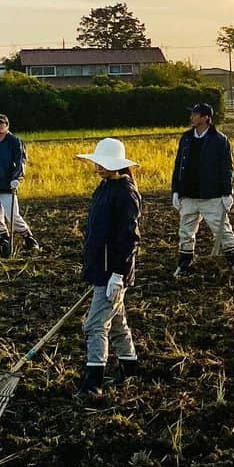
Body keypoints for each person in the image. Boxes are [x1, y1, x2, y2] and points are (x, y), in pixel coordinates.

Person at [75, 137, 142, 403]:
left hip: (113, 272)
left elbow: (129, 239)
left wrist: (118, 274)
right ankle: (130, 368)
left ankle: (93, 383)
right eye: (98, 162)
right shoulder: (104, 187)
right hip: (100, 270)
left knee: (94, 325)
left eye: (104, 163)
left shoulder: (125, 193)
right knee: (116, 322)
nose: (98, 167)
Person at [170, 102, 234, 281]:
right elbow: (178, 164)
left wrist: (227, 193)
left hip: (211, 195)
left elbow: (226, 167)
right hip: (188, 195)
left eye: (195, 114)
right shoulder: (186, 138)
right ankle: (184, 265)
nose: (192, 117)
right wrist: (175, 190)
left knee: (223, 231)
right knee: (185, 232)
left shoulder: (219, 140)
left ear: (206, 118)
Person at [0, 113, 39, 257]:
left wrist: (17, 178)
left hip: (7, 187)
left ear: (7, 125)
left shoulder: (15, 142)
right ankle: (3, 241)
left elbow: (20, 160)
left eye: (1, 123)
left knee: (13, 216)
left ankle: (29, 239)